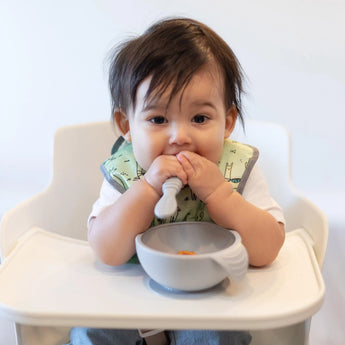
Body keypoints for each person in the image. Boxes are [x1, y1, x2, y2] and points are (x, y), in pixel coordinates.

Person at [66, 17, 285, 345]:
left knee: (217, 336)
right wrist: (148, 188)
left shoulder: (236, 169)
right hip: (129, 298)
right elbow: (107, 252)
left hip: (207, 298)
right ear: (126, 125)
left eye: (199, 118)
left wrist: (219, 193)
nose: (179, 137)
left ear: (226, 124)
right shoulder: (126, 173)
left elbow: (268, 249)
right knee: (90, 332)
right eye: (157, 119)